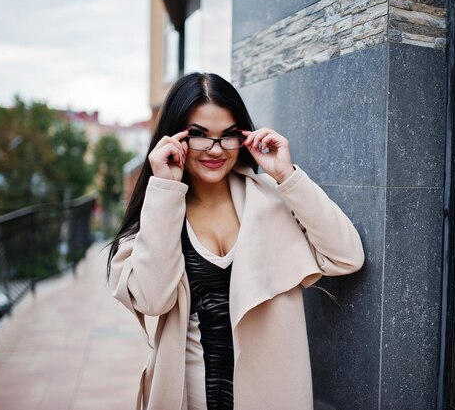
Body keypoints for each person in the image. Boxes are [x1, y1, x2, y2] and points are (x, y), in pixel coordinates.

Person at [107, 72, 365, 410]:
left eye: (228, 135)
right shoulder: (158, 211)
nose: (216, 149)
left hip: (271, 395)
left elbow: (348, 256)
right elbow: (152, 300)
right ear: (173, 139)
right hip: (189, 395)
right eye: (199, 135)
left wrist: (286, 176)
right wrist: (166, 190)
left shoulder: (272, 198)